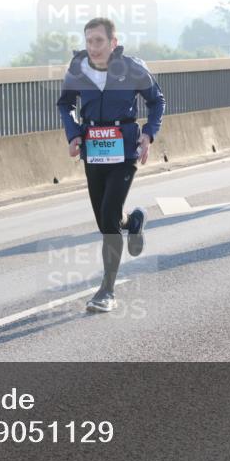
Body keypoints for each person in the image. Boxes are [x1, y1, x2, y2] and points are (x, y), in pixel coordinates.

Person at [57, 18, 165, 313]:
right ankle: (133, 221)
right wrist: (74, 133)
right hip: (93, 149)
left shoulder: (132, 69)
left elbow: (157, 101)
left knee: (107, 219)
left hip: (124, 148)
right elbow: (64, 104)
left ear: (113, 43)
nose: (93, 47)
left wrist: (148, 134)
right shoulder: (78, 69)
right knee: (107, 217)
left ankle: (106, 291)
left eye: (99, 41)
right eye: (89, 41)